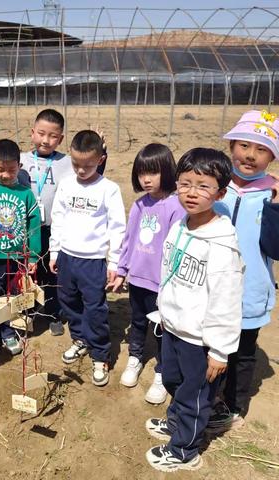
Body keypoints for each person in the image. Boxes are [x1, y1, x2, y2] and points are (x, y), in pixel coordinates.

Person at [145, 148, 244, 472]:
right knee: (174, 381)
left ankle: (185, 450)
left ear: (220, 192)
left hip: (200, 339)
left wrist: (219, 350)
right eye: (185, 183)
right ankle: (177, 422)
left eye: (203, 186)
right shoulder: (181, 226)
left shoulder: (221, 244)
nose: (191, 192)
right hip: (175, 327)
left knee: (195, 395)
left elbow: (226, 301)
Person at [0, 110, 107, 336]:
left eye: (52, 136)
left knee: (52, 273)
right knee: (24, 273)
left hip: (55, 228)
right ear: (32, 133)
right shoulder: (22, 160)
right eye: (41, 133)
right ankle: (26, 311)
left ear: (61, 139)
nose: (46, 140)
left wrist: (99, 151)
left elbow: (88, 174)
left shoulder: (67, 162)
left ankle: (53, 312)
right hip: (25, 228)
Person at [207, 110, 279, 432]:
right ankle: (206, 395)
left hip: (250, 289)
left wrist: (277, 207)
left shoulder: (272, 193)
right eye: (244, 145)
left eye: (261, 149)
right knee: (209, 343)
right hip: (211, 286)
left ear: (272, 158)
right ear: (231, 145)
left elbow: (276, 249)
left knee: (242, 352)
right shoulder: (216, 184)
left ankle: (234, 405)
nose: (250, 155)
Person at [49, 130, 126, 387]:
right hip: (67, 258)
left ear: (101, 159)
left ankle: (100, 354)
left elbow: (117, 228)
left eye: (88, 165)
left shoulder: (109, 189)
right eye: (76, 164)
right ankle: (80, 339)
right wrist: (54, 250)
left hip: (93, 261)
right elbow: (58, 217)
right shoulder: (67, 184)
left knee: (95, 308)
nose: (81, 171)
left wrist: (114, 263)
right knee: (68, 301)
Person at [109, 144, 184, 404]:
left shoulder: (176, 207)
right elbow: (129, 240)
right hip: (138, 280)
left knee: (163, 329)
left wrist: (171, 283)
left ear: (167, 170)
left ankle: (163, 372)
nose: (146, 179)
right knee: (138, 320)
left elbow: (176, 249)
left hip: (162, 284)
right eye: (141, 173)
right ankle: (135, 357)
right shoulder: (141, 205)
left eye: (152, 172)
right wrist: (122, 271)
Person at [0, 139, 41, 357]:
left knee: (12, 297)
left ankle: (8, 331)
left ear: (19, 167)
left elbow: (33, 227)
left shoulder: (26, 194)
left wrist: (32, 257)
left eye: (11, 170)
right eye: (1, 170)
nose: (6, 174)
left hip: (16, 258)